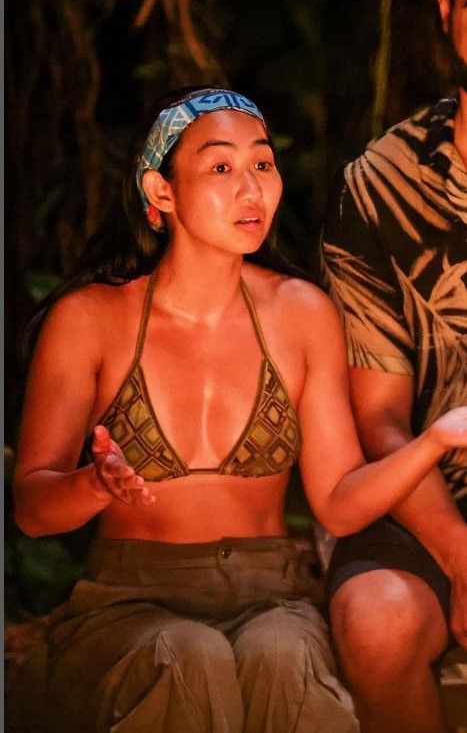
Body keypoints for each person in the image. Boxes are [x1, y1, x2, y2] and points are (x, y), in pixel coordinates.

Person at [13, 86, 467, 733]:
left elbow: (338, 502)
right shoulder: (89, 319)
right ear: (161, 190)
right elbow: (31, 511)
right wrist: (93, 484)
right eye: (222, 167)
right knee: (188, 657)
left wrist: (434, 440)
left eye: (262, 163)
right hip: (127, 598)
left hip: (272, 595)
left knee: (283, 659)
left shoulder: (302, 313)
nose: (251, 189)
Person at [321, 0, 467, 733]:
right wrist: (458, 552)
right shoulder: (379, 185)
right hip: (424, 498)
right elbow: (377, 413)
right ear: (446, 11)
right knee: (375, 621)